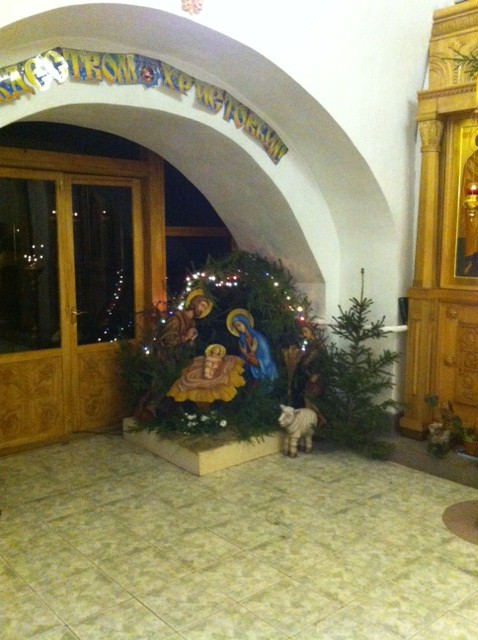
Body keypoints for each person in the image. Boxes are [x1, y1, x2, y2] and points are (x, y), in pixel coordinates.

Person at [168, 344, 245, 405]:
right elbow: (208, 361)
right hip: (208, 366)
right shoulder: (207, 357)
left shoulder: (219, 358)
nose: (215, 350)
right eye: (214, 349)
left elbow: (219, 362)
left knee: (215, 380)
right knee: (205, 372)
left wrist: (216, 364)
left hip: (214, 368)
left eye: (217, 349)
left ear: (219, 352)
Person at [226, 308, 278, 383]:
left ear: (244, 323)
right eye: (236, 327)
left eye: (239, 325)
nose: (238, 328)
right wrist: (245, 356)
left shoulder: (258, 337)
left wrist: (253, 357)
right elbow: (243, 358)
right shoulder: (241, 340)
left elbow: (266, 355)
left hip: (263, 366)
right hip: (250, 369)